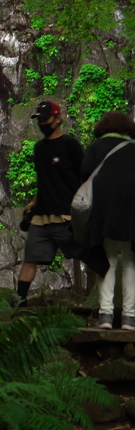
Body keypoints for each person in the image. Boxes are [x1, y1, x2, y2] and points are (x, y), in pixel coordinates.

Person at [15, 100, 83, 307]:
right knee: (30, 258)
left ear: (57, 118)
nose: (43, 123)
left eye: (46, 119)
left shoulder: (70, 145)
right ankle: (20, 301)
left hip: (67, 215)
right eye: (40, 120)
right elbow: (43, 180)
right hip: (41, 217)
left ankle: (103, 300)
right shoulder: (39, 148)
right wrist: (33, 202)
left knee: (87, 254)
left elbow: (85, 178)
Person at [78, 111, 135, 329]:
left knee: (108, 259)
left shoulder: (95, 147)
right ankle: (130, 318)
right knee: (130, 261)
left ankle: (105, 316)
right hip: (131, 210)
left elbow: (84, 172)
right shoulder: (132, 148)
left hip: (104, 210)